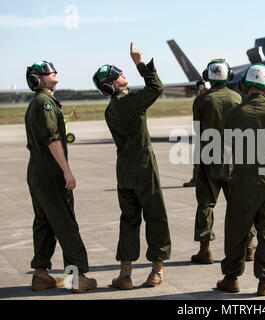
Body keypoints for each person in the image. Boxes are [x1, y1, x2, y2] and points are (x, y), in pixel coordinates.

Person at [93, 42, 171, 289]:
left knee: (129, 220)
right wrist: (139, 62)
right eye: (118, 75)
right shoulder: (130, 102)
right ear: (112, 85)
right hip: (143, 166)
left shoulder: (110, 109)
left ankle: (125, 275)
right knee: (155, 215)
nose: (123, 75)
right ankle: (156, 271)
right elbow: (156, 87)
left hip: (123, 168)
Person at [217, 64, 265, 296]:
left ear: (244, 86)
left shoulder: (234, 114)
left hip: (242, 179)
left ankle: (231, 279)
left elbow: (228, 142)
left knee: (237, 229)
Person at [25, 61, 97, 293]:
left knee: (44, 222)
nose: (52, 72)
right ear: (37, 80)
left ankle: (41, 275)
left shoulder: (36, 103)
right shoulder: (45, 103)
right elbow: (52, 139)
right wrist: (66, 170)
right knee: (65, 223)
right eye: (46, 71)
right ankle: (77, 277)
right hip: (51, 172)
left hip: (37, 172)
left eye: (52, 69)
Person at [191, 59, 256, 264]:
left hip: (209, 159)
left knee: (206, 204)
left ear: (207, 76)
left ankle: (205, 249)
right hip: (234, 160)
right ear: (229, 76)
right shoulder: (237, 97)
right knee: (240, 204)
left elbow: (198, 130)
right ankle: (248, 247)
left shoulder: (201, 101)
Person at [183, 80, 211, 188]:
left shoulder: (200, 101)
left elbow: (197, 121)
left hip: (204, 133)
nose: (199, 92)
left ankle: (196, 179)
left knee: (199, 158)